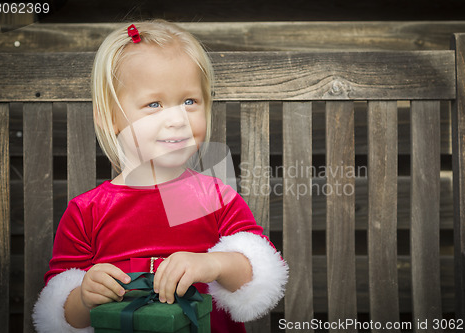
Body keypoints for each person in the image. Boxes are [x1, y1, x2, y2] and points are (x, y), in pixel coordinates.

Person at [32, 20, 288, 333]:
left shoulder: (214, 197)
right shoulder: (86, 212)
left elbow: (257, 274)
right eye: (154, 104)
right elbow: (60, 314)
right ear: (108, 116)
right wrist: (84, 297)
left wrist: (212, 264)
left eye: (189, 101)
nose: (177, 120)